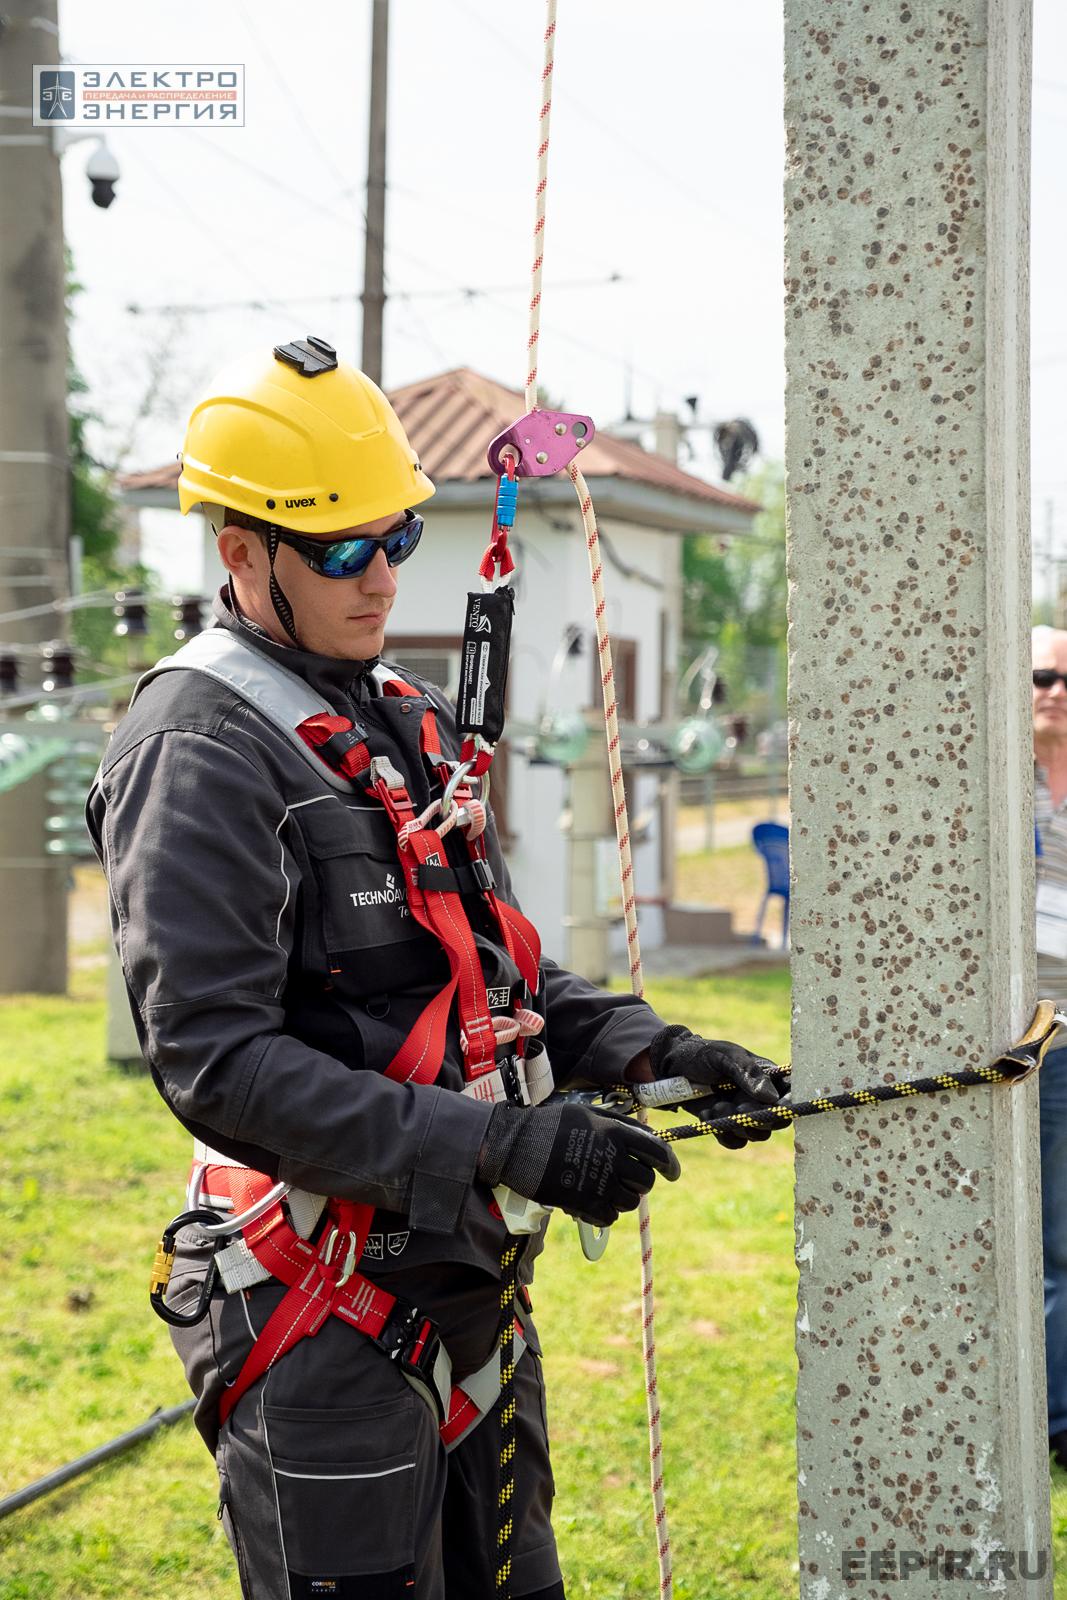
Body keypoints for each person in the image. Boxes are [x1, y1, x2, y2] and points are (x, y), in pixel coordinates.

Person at [87, 336, 784, 1600]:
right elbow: (218, 1064)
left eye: (395, 534)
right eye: (341, 549)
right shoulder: (196, 753)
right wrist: (498, 1146)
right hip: (323, 1317)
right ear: (241, 553)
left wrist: (653, 1049)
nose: (382, 572)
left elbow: (491, 976)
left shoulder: (393, 718)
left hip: (465, 1297)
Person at [1032, 625, 1067, 1472]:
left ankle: (1056, 1420)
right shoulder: (999, 783)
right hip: (1018, 1035)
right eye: (1038, 676)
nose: (1054, 692)